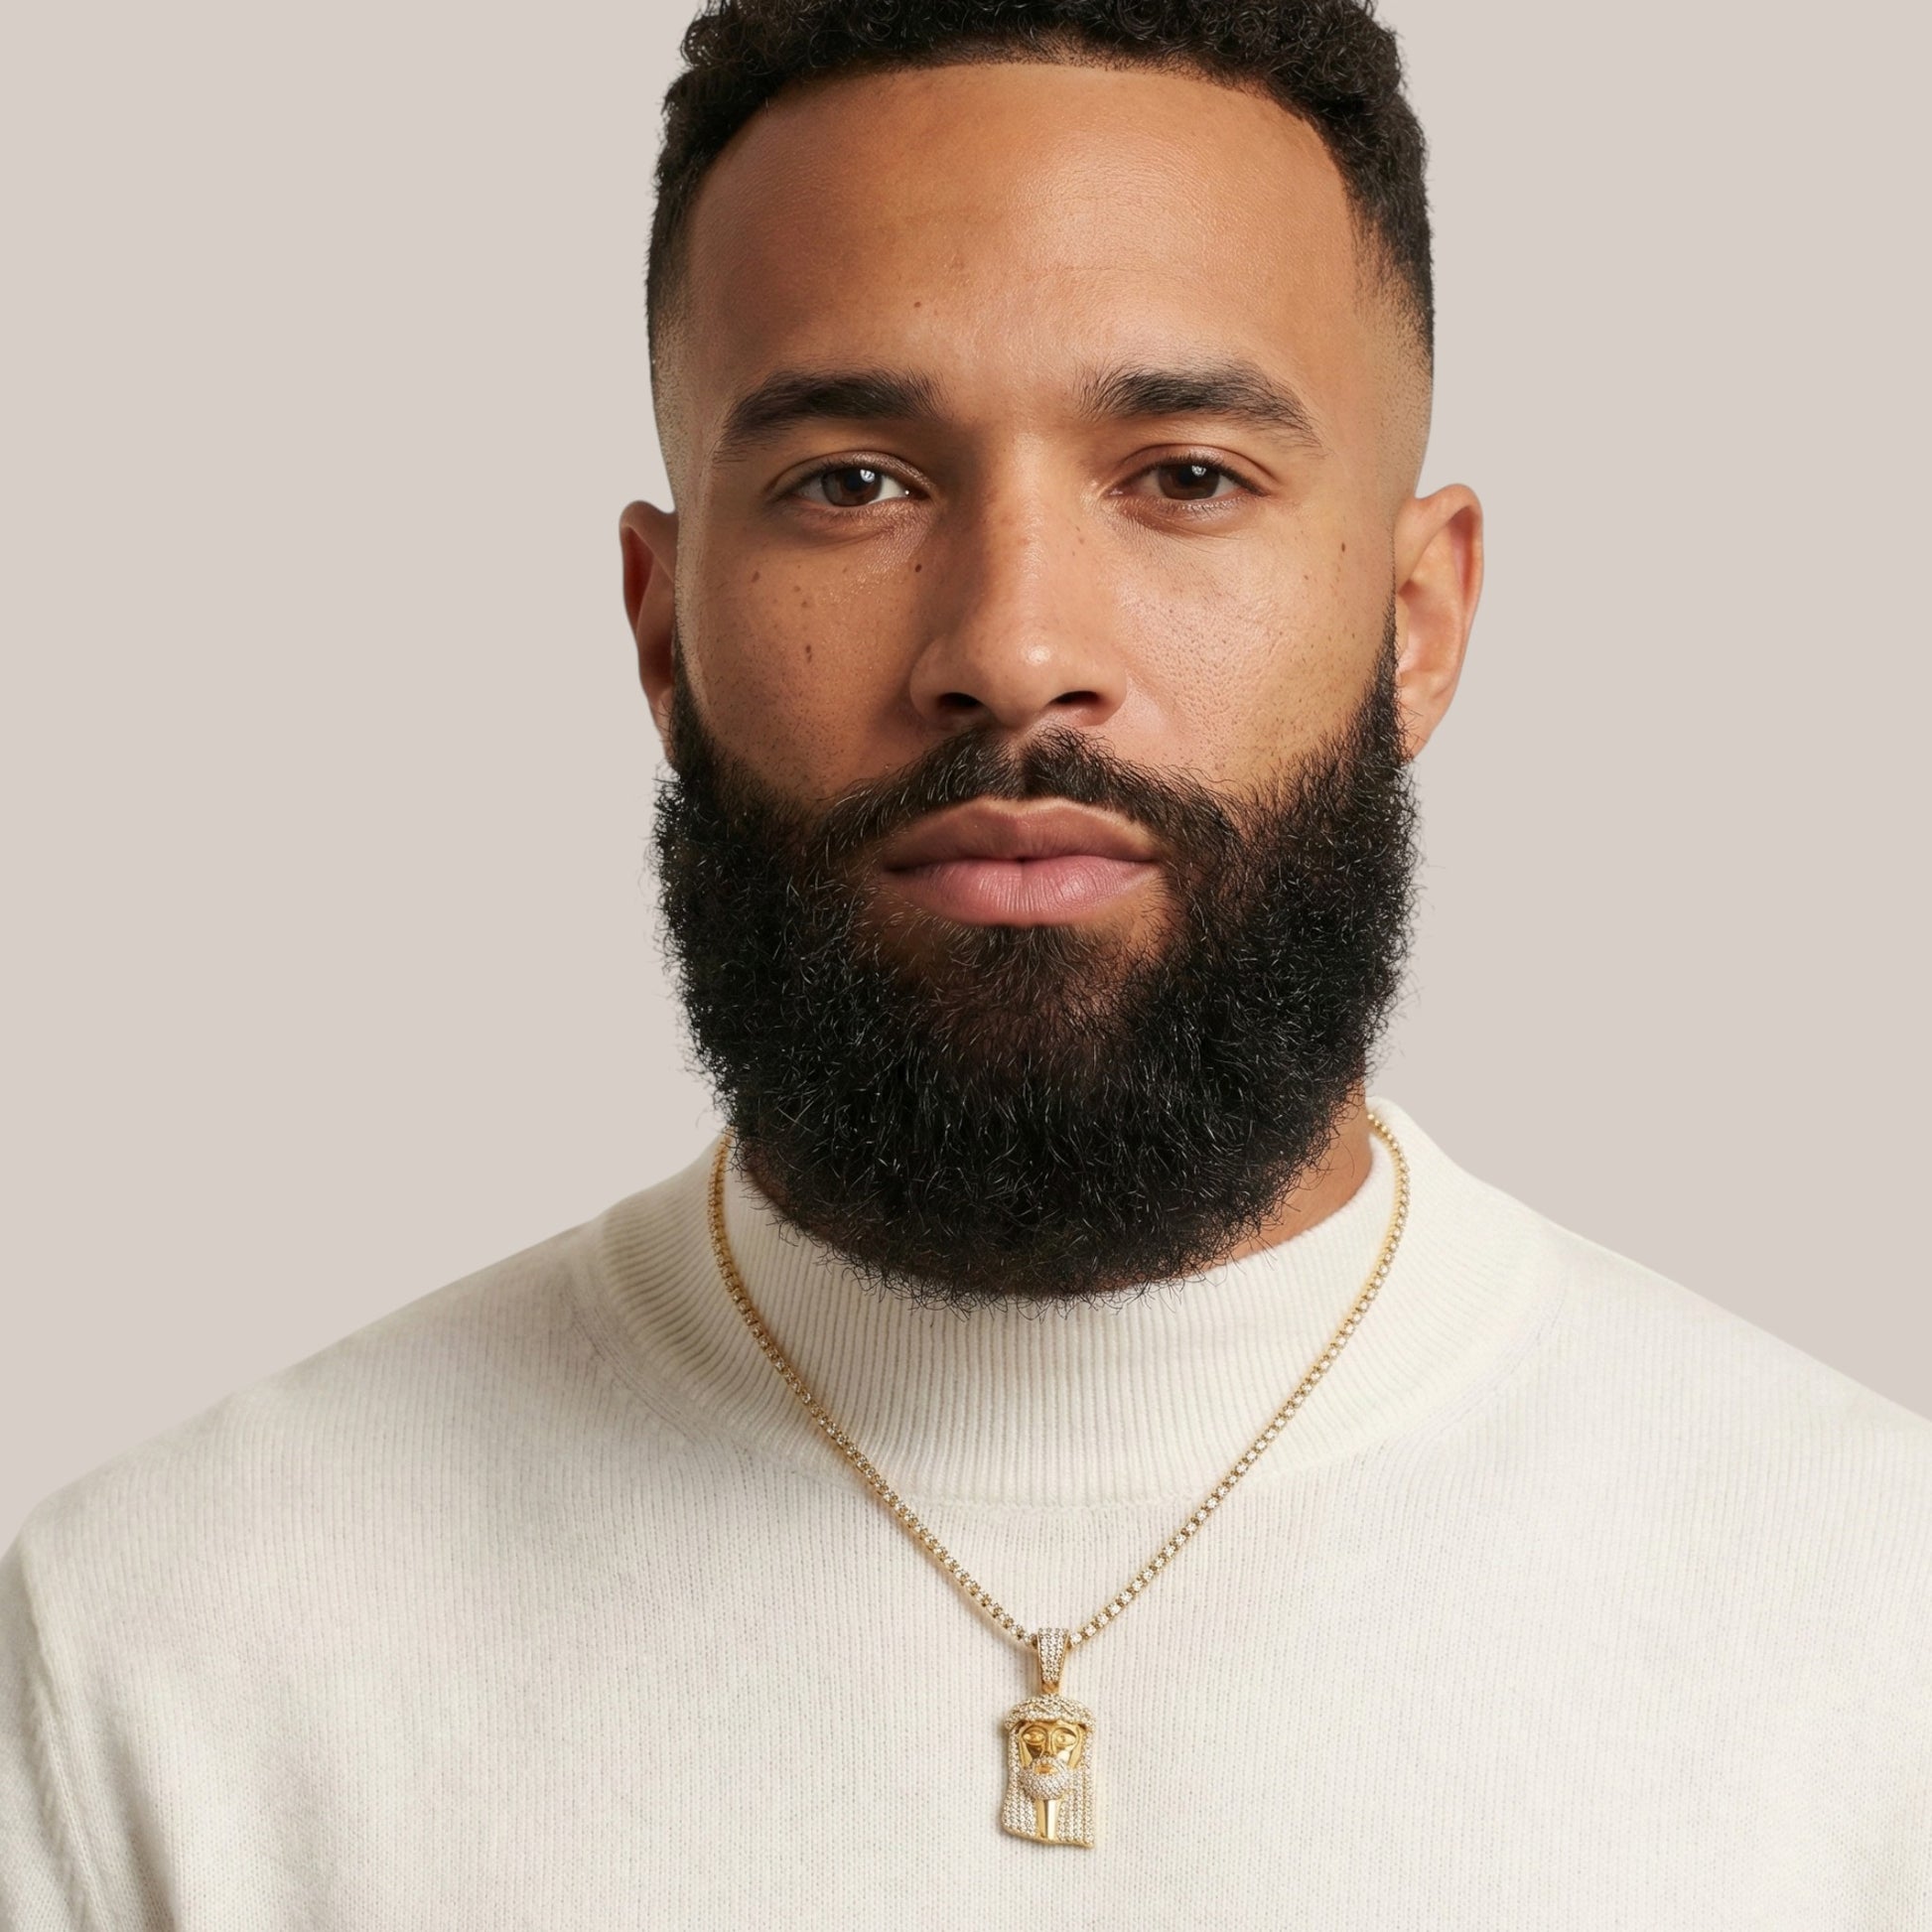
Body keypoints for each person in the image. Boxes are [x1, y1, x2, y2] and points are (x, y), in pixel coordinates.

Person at [4, 0, 1928, 1921]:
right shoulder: (156, 1657)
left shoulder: (1870, 1625)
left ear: (1414, 623)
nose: (1012, 650)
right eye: (852, 482)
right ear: (663, 632)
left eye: (1185, 475)